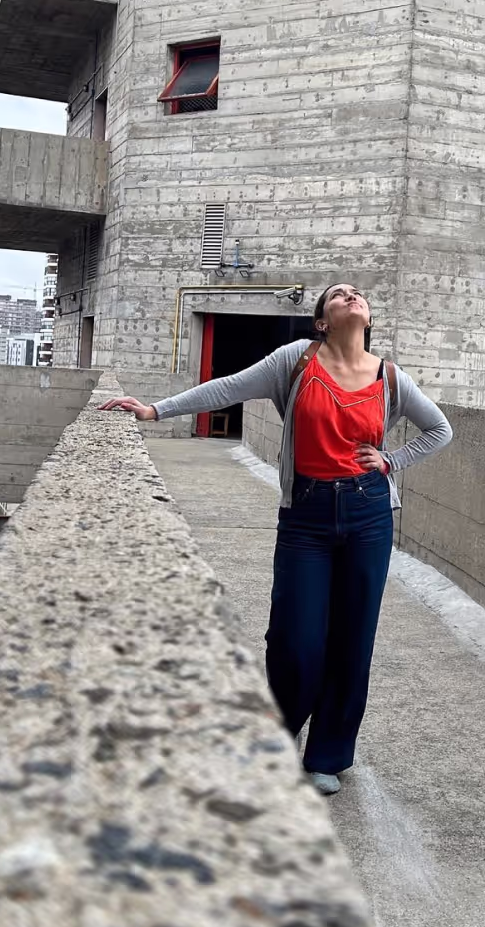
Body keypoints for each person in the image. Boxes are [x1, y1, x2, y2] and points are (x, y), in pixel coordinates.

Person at [100, 284, 453, 794]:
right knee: (295, 638)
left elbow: (439, 430)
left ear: (368, 316)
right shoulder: (295, 361)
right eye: (338, 295)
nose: (352, 297)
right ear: (322, 322)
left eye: (358, 294)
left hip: (368, 514)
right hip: (306, 515)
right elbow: (227, 387)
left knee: (353, 639)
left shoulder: (391, 378)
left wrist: (392, 461)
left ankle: (327, 755)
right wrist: (155, 410)